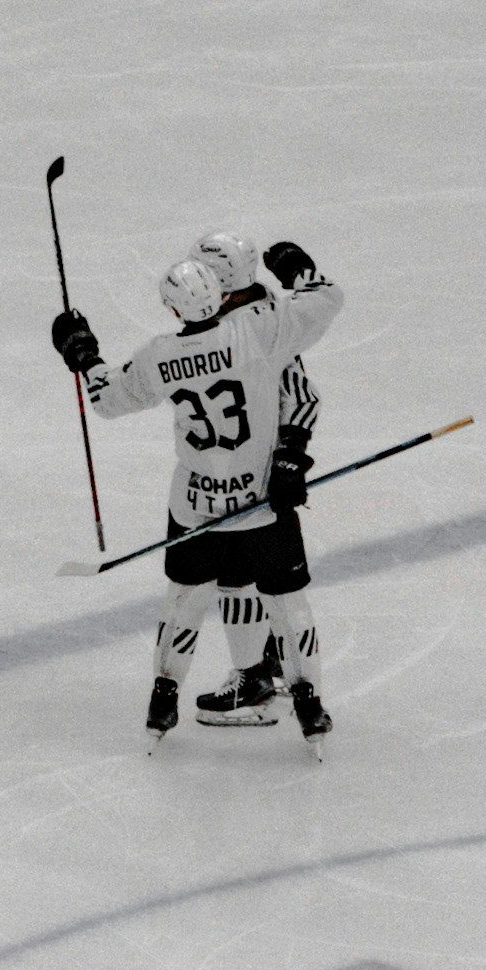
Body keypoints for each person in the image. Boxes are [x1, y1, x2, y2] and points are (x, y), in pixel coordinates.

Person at [51, 239, 343, 751]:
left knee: (185, 600)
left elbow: (105, 397)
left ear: (173, 307)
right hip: (260, 502)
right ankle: (309, 703)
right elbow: (326, 299)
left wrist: (83, 353)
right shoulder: (259, 329)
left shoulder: (159, 355)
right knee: (287, 600)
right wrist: (300, 271)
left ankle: (164, 698)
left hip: (196, 505)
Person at [186, 228, 321, 728]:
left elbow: (302, 396)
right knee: (246, 575)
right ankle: (268, 663)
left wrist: (289, 460)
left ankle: (254, 679)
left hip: (255, 478)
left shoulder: (261, 326)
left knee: (244, 575)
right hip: (233, 470)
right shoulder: (242, 316)